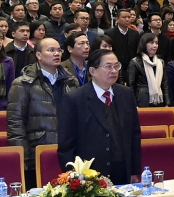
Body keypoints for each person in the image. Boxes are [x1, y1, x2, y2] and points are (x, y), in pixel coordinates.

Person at [56, 49, 142, 186]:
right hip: (89, 176)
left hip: (122, 171)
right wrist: (74, 178)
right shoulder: (74, 99)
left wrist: (134, 171)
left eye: (116, 66)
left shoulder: (126, 94)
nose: (114, 71)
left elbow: (134, 135)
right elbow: (66, 145)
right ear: (92, 71)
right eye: (108, 66)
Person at [7, 38, 80, 188]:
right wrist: (24, 157)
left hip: (68, 152)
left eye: (59, 50)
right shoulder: (23, 83)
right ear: (38, 55)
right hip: (37, 151)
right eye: (51, 50)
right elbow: (16, 123)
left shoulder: (71, 81)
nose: (56, 54)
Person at [127, 32, 170, 106]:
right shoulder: (135, 62)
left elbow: (165, 84)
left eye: (156, 43)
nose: (155, 45)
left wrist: (167, 103)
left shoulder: (161, 62)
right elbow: (131, 85)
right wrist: (134, 104)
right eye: (151, 43)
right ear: (144, 44)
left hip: (159, 101)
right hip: (142, 100)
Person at [106, 8, 140, 84]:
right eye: (124, 17)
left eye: (129, 17)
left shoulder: (135, 34)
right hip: (116, 67)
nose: (127, 19)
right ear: (117, 19)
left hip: (131, 67)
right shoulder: (110, 34)